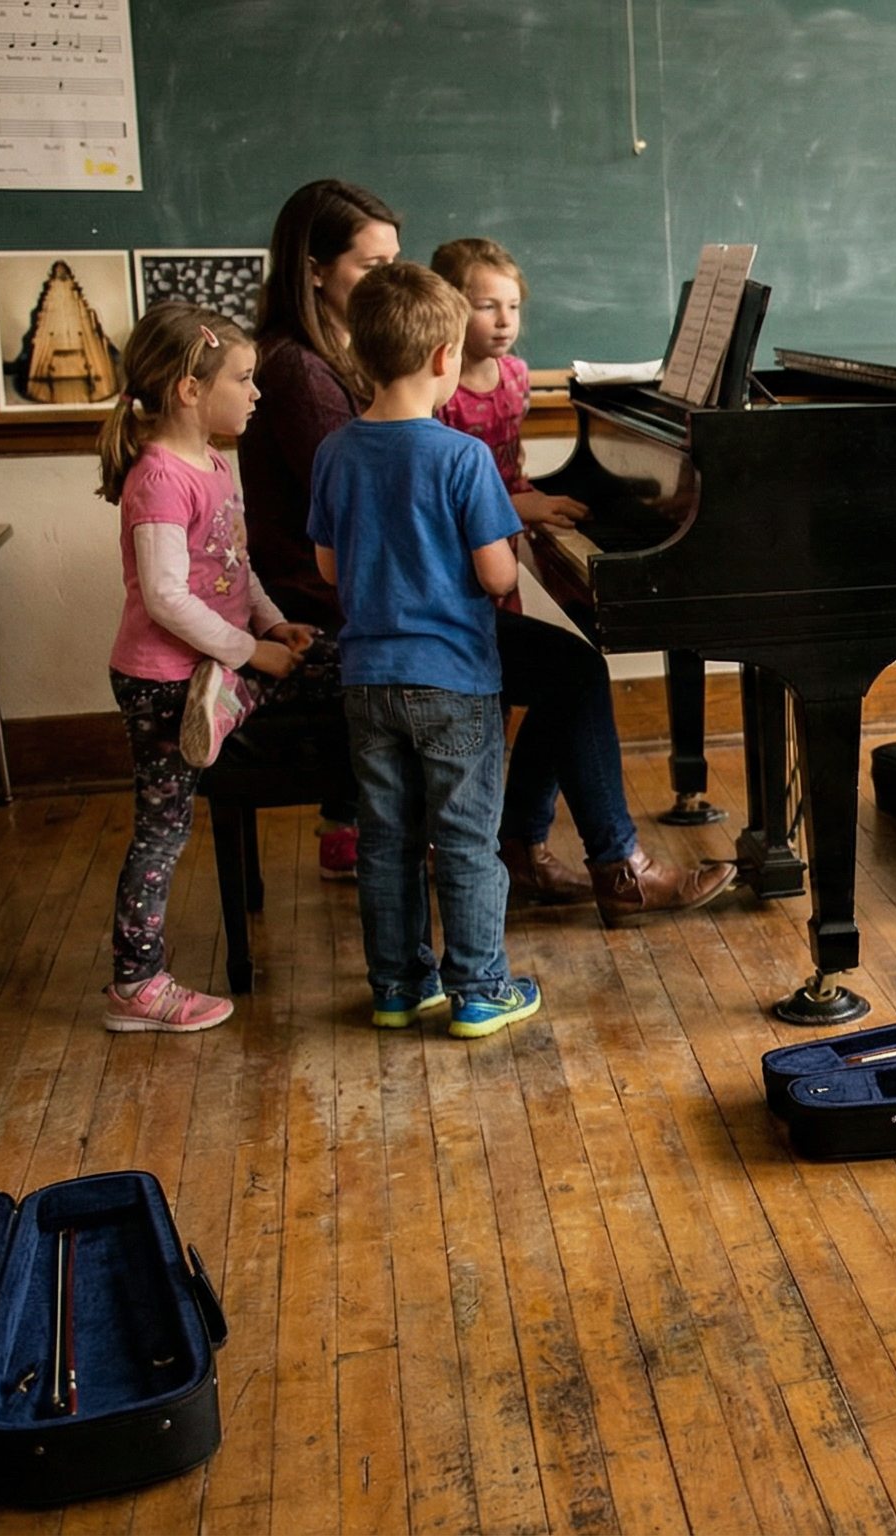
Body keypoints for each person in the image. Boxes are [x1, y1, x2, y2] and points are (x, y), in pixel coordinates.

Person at [428, 235, 736, 922]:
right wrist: (521, 508)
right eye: (485, 305)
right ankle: (609, 866)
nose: (504, 321)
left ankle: (522, 846)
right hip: (447, 581)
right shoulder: (433, 393)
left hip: (491, 560)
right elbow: (439, 494)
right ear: (445, 309)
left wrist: (537, 507)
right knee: (571, 676)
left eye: (513, 306)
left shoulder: (514, 379)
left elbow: (507, 472)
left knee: (565, 678)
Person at [307, 263, 540, 1040]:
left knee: (386, 842)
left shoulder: (335, 453)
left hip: (368, 680)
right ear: (446, 357)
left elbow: (328, 568)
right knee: (466, 838)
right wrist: (504, 546)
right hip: (454, 680)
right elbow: (496, 575)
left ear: (358, 355)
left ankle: (398, 988)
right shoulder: (462, 457)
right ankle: (479, 988)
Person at [94, 303, 329, 1033]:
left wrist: (271, 623)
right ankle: (135, 985)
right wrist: (250, 652)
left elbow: (235, 565)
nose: (257, 392)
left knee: (323, 660)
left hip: (214, 661)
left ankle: (226, 701)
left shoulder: (216, 462)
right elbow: (165, 596)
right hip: (164, 677)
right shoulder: (160, 477)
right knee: (162, 831)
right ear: (190, 390)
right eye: (244, 378)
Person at [244, 179, 400, 880]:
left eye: (395, 263)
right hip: (322, 603)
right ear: (313, 270)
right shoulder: (301, 371)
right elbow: (357, 509)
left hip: (346, 589)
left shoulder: (334, 355)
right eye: (371, 266)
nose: (389, 282)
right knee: (568, 671)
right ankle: (502, 841)